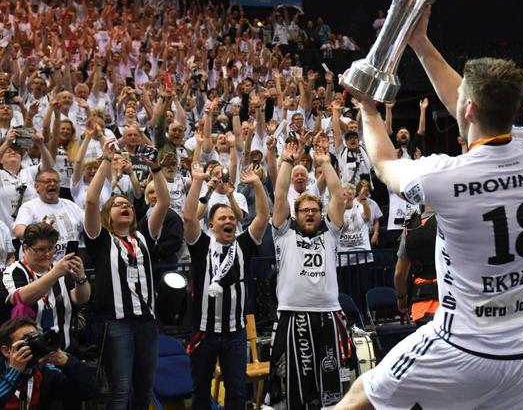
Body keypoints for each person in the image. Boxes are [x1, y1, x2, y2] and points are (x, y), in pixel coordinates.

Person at [336, 6, 523, 409]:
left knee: (362, 394)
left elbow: (382, 163)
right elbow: (468, 103)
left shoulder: (448, 177)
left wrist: (366, 107)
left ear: (468, 109)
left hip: (462, 346)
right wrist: (419, 41)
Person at [82, 141, 170, 410]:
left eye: (128, 204)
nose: (125, 206)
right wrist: (107, 161)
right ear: (107, 215)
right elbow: (91, 201)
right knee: (120, 390)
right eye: (118, 204)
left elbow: (164, 203)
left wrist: (156, 169)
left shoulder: (142, 235)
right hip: (116, 323)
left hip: (146, 321)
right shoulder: (101, 239)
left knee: (144, 387)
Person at [268, 142, 350, 409]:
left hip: (328, 313)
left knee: (330, 389)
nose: (311, 213)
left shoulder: (330, 232)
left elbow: (338, 197)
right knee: (290, 388)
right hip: (292, 314)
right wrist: (286, 162)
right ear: (296, 215)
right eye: (305, 210)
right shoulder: (284, 232)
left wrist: (325, 163)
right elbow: (280, 196)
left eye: (315, 210)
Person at [183, 162, 269, 410]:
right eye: (222, 218)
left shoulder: (243, 244)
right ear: (211, 225)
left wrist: (257, 184)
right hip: (204, 332)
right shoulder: (201, 245)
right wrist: (198, 182)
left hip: (235, 333)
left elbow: (263, 217)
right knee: (200, 390)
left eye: (231, 217)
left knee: (237, 392)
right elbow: (189, 217)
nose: (229, 220)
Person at [1, 223, 89, 351]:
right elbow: (21, 298)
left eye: (51, 248)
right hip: (30, 354)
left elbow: (81, 299)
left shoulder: (61, 269)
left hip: (65, 349)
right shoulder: (14, 271)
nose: (47, 254)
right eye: (41, 249)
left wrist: (81, 278)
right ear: (25, 248)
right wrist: (55, 274)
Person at [0, 317, 97, 409]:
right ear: (7, 351)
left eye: (37, 337)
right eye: (27, 340)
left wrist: (68, 362)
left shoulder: (44, 373)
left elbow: (89, 391)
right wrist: (14, 373)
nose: (33, 344)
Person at [14, 170, 84, 264]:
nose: (52, 184)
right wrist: (41, 232)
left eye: (56, 181)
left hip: (69, 264)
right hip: (39, 265)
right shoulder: (29, 207)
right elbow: (19, 231)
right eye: (47, 181)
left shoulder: (71, 205)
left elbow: (90, 229)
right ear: (37, 186)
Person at [394, 206, 439, 324]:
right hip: (451, 300)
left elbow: (399, 274)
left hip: (421, 303)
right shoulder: (451, 221)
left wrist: (401, 298)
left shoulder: (410, 226)